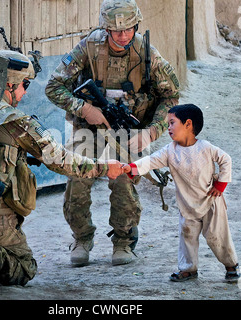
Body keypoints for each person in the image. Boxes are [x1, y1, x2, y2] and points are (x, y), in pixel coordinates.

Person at [0, 50, 124, 286]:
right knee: (25, 267)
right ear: (8, 85)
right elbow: (60, 160)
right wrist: (105, 168)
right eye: (24, 84)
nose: (25, 92)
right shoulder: (15, 121)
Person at [45, 0, 180, 266]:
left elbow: (172, 98)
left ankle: (124, 240)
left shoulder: (147, 54)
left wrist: (151, 133)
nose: (123, 35)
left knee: (124, 179)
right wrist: (83, 108)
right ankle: (82, 238)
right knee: (76, 176)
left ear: (136, 25)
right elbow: (53, 87)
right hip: (89, 128)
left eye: (129, 29)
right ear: (105, 29)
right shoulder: (88, 48)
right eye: (116, 30)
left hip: (129, 131)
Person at [122, 104, 240, 282]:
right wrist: (131, 167)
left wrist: (220, 185)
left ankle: (231, 265)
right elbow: (151, 161)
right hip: (187, 204)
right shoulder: (170, 151)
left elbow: (226, 160)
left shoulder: (205, 148)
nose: (168, 128)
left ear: (188, 124)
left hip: (211, 202)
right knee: (187, 236)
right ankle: (188, 269)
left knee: (217, 237)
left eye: (171, 123)